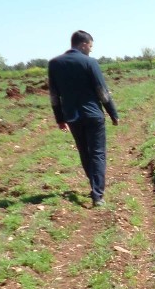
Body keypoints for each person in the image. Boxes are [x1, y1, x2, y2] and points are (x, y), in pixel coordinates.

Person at [48, 30, 119, 207]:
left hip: (72, 116)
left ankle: (94, 187)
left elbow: (54, 95)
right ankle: (98, 194)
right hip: (93, 114)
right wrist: (113, 113)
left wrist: (59, 118)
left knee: (84, 152)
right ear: (83, 44)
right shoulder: (90, 62)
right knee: (97, 153)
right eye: (90, 46)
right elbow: (102, 91)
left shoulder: (54, 64)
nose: (91, 50)